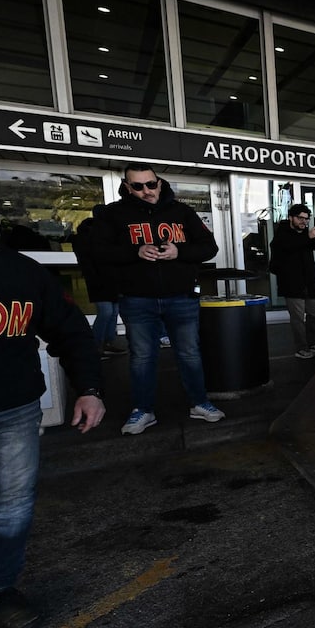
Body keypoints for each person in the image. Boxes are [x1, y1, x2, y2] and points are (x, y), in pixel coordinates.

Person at [0, 216, 105, 628]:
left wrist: (89, 388)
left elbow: (71, 329)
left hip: (13, 410)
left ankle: (0, 589)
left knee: (11, 505)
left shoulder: (20, 270)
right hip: (15, 411)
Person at [91, 164, 224, 434]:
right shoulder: (114, 214)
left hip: (181, 297)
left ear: (159, 183)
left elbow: (209, 247)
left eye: (150, 184)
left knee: (190, 354)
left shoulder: (182, 212)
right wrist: (135, 251)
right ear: (127, 187)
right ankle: (143, 409)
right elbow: (99, 252)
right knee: (141, 357)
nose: (146, 191)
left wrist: (180, 251)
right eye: (138, 186)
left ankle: (200, 402)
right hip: (137, 299)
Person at [270, 203, 315, 359]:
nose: (304, 221)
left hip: (309, 281)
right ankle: (301, 347)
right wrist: (308, 238)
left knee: (314, 314)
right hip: (292, 283)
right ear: (291, 218)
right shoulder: (282, 234)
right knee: (297, 318)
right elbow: (287, 247)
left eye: (306, 219)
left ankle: (313, 343)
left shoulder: (306, 234)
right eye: (300, 218)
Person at [72, 204, 126, 358]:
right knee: (107, 312)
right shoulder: (89, 235)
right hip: (99, 279)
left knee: (113, 312)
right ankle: (96, 345)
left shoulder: (104, 233)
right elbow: (89, 260)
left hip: (110, 278)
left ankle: (107, 342)